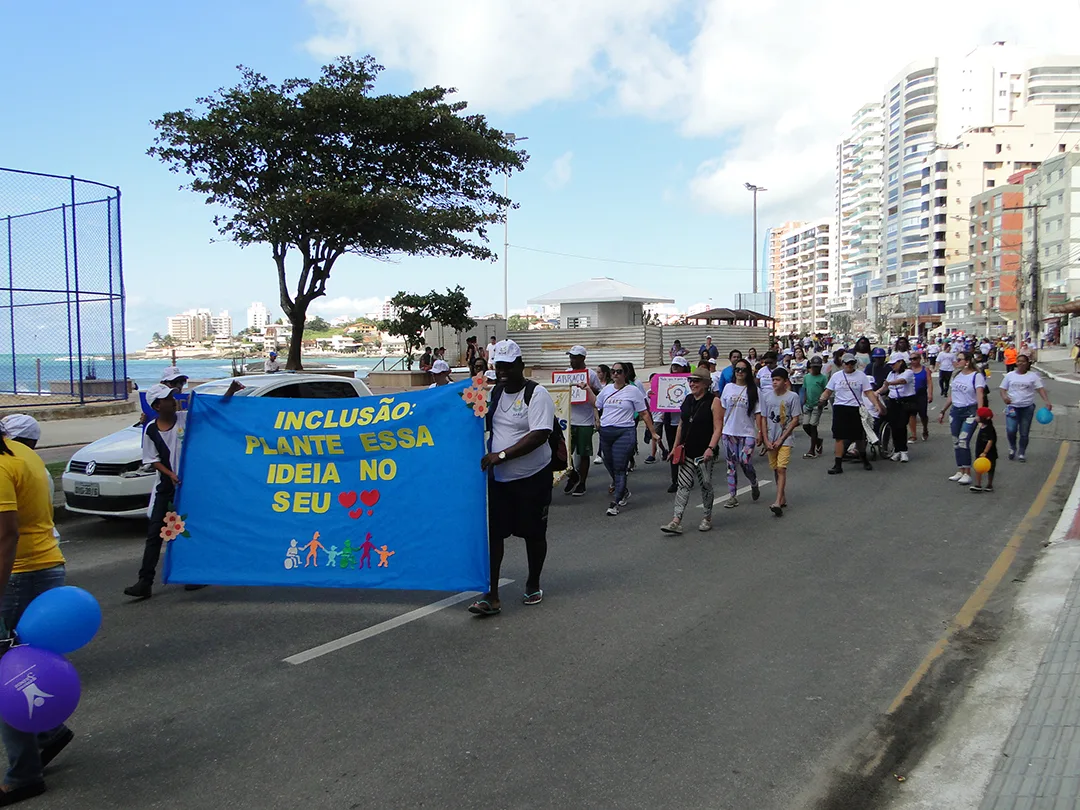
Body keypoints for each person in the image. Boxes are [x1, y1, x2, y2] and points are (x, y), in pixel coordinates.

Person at [0, 425, 72, 804]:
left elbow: (6, 533)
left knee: (7, 674)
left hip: (18, 574)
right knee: (23, 667)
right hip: (39, 564)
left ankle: (24, 775)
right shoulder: (19, 452)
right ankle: (47, 731)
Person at [124, 380, 242, 599]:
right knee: (155, 534)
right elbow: (152, 459)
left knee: (191, 530)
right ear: (157, 406)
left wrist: (231, 391)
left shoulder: (185, 419)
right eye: (168, 399)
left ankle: (194, 574)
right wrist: (169, 474)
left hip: (192, 488)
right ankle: (144, 581)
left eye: (172, 397)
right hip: (167, 488)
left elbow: (214, 410)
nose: (173, 401)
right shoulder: (151, 430)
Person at [471, 340, 555, 616]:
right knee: (493, 535)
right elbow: (478, 421)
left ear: (521, 365)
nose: (503, 372)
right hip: (499, 481)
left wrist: (502, 455)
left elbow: (539, 434)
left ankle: (533, 582)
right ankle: (491, 594)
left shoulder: (536, 394)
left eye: (509, 366)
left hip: (532, 478)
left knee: (533, 534)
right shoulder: (494, 393)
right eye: (499, 367)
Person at [660, 369, 723, 535]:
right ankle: (676, 520)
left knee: (706, 485)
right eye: (690, 381)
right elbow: (681, 425)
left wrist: (711, 448)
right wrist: (674, 447)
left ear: (705, 384)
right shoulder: (688, 399)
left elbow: (718, 428)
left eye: (696, 381)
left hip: (704, 453)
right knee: (683, 485)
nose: (692, 384)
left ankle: (707, 517)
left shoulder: (714, 401)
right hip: (687, 452)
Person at [596, 363, 660, 516]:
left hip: (624, 432)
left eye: (619, 372)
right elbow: (596, 404)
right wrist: (597, 419)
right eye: (613, 372)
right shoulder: (607, 390)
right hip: (606, 432)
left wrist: (653, 432)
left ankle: (615, 502)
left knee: (620, 467)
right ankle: (623, 490)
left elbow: (644, 413)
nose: (616, 374)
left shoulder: (633, 391)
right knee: (608, 461)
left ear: (625, 374)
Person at [819, 353, 880, 474]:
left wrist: (876, 404)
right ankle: (838, 464)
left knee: (858, 437)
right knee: (839, 437)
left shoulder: (861, 376)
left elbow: (868, 392)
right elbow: (828, 391)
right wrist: (822, 399)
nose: (849, 365)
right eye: (847, 363)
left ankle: (864, 459)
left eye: (852, 363)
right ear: (843, 364)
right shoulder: (836, 376)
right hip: (840, 408)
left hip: (854, 408)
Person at [938, 351, 986, 485]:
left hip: (970, 411)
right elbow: (952, 396)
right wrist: (943, 410)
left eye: (959, 359)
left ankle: (967, 473)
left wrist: (980, 414)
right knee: (956, 442)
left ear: (968, 361)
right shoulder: (956, 375)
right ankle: (960, 469)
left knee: (963, 440)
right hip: (955, 411)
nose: (956, 362)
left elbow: (979, 395)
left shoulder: (976, 376)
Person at [717, 359, 761, 508]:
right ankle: (732, 496)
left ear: (748, 372)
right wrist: (718, 429)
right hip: (729, 432)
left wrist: (761, 432)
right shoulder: (728, 388)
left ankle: (754, 482)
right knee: (731, 465)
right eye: (737, 369)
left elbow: (758, 414)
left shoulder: (754, 390)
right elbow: (722, 410)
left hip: (747, 432)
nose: (740, 372)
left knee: (745, 461)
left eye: (743, 370)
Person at [759, 367, 801, 516]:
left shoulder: (792, 397)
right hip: (771, 437)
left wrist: (782, 438)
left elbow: (795, 419)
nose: (774, 383)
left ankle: (777, 501)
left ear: (785, 382)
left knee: (782, 468)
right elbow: (763, 418)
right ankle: (781, 496)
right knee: (776, 469)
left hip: (785, 437)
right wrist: (764, 438)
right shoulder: (767, 397)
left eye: (778, 380)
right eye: (773, 380)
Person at [563, 345, 601, 497]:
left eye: (575, 357)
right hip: (568, 419)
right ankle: (573, 476)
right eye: (570, 356)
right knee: (564, 453)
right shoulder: (566, 373)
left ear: (583, 358)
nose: (572, 360)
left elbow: (599, 394)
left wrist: (589, 389)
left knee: (583, 453)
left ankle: (582, 483)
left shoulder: (590, 374)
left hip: (585, 420)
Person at [999, 353, 1051, 462]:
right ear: (1016, 363)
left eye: (1023, 361)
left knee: (1024, 432)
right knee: (1011, 430)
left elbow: (1040, 389)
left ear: (1028, 363)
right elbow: (1003, 389)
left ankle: (1022, 452)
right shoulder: (1010, 375)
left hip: (1027, 407)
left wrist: (1046, 401)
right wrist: (1004, 397)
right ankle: (1012, 447)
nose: (1021, 363)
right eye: (1019, 361)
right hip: (1012, 407)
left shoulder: (1033, 376)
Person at [877, 352, 915, 463]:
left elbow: (902, 381)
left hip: (905, 401)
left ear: (900, 362)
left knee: (901, 425)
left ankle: (904, 451)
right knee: (893, 426)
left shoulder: (908, 372)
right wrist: (876, 392)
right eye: (891, 364)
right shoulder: (891, 374)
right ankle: (897, 450)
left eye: (894, 364)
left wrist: (889, 383)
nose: (892, 366)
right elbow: (885, 388)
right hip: (893, 401)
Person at [661, 357, 690, 494]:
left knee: (686, 450)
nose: (675, 368)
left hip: (685, 422)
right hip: (670, 422)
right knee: (673, 449)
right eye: (674, 366)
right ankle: (674, 480)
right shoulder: (665, 382)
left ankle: (686, 477)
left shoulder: (690, 382)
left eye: (678, 366)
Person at [801, 357, 828, 459]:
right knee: (805, 425)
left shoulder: (823, 378)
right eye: (814, 367)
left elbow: (826, 390)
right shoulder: (807, 377)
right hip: (808, 404)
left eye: (818, 367)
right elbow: (805, 389)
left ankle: (812, 449)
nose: (816, 369)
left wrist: (824, 401)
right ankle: (817, 440)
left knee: (813, 426)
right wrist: (803, 400)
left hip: (818, 405)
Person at [970, 407, 998, 493]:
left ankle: (989, 484)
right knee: (978, 467)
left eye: (978, 416)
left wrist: (985, 452)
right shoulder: (982, 426)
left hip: (989, 452)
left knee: (990, 468)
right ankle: (978, 484)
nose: (976, 417)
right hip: (979, 451)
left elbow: (990, 440)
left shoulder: (989, 428)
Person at [908, 350, 932, 442]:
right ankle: (913, 435)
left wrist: (930, 394)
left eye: (914, 359)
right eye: (911, 359)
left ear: (919, 359)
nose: (912, 361)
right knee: (912, 414)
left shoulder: (925, 370)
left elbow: (929, 382)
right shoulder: (908, 370)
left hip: (921, 394)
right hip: (911, 394)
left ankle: (925, 428)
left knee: (923, 415)